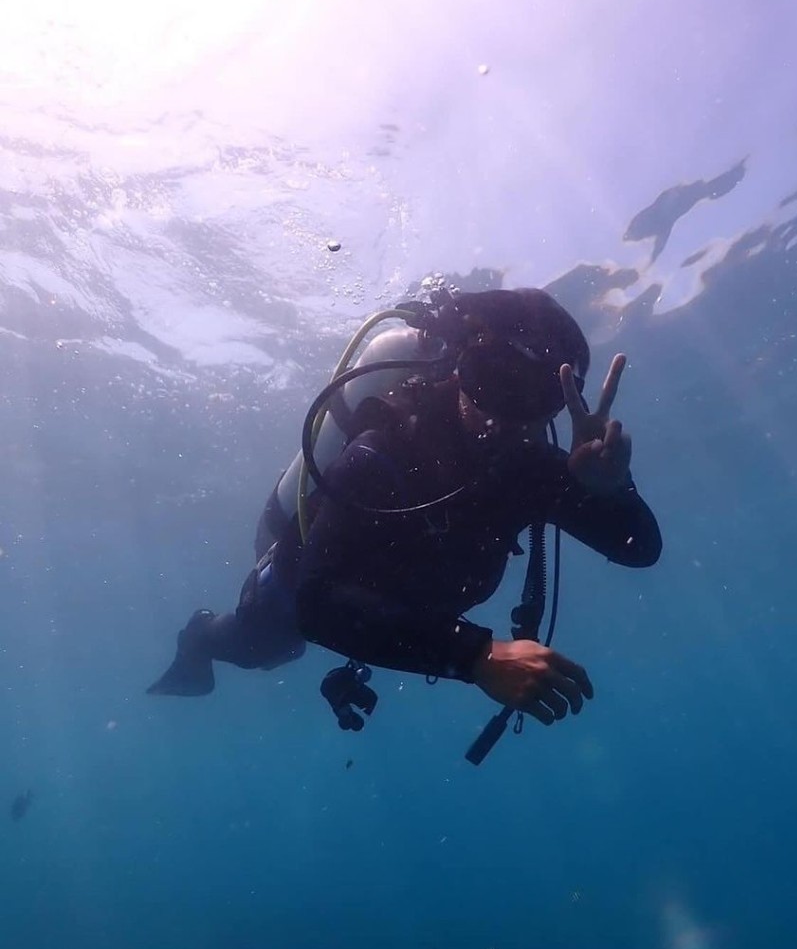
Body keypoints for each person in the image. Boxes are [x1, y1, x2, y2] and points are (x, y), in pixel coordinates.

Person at [148, 288, 662, 745]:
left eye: (534, 398)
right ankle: (198, 635)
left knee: (282, 650)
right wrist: (476, 657)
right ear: (461, 368)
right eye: (493, 381)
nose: (504, 416)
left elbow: (639, 550)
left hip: (400, 610)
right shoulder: (384, 448)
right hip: (303, 580)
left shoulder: (530, 467)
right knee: (266, 647)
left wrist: (612, 491)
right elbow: (317, 606)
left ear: (554, 406)